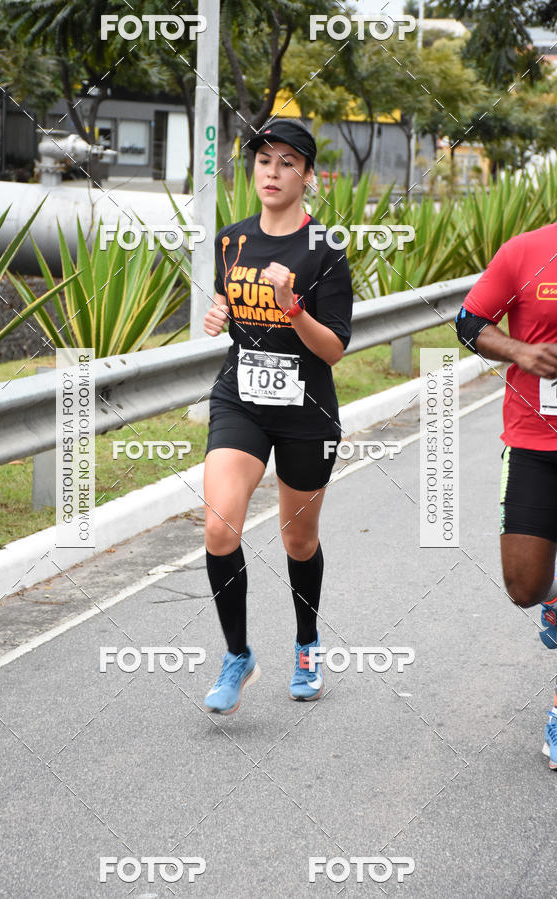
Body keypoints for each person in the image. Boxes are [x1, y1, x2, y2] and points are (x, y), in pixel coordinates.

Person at [201, 121, 353, 714]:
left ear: (307, 176)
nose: (272, 171)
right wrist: (218, 313)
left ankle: (308, 644)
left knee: (298, 539)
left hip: (305, 412)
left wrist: (292, 306)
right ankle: (237, 655)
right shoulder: (232, 240)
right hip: (240, 399)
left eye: (287, 162)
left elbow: (335, 348)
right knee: (219, 527)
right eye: (264, 160)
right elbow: (227, 300)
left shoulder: (326, 251)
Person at [456, 223, 557, 769]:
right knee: (524, 586)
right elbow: (469, 323)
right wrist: (521, 350)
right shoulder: (527, 251)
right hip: (533, 442)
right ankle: (552, 602)